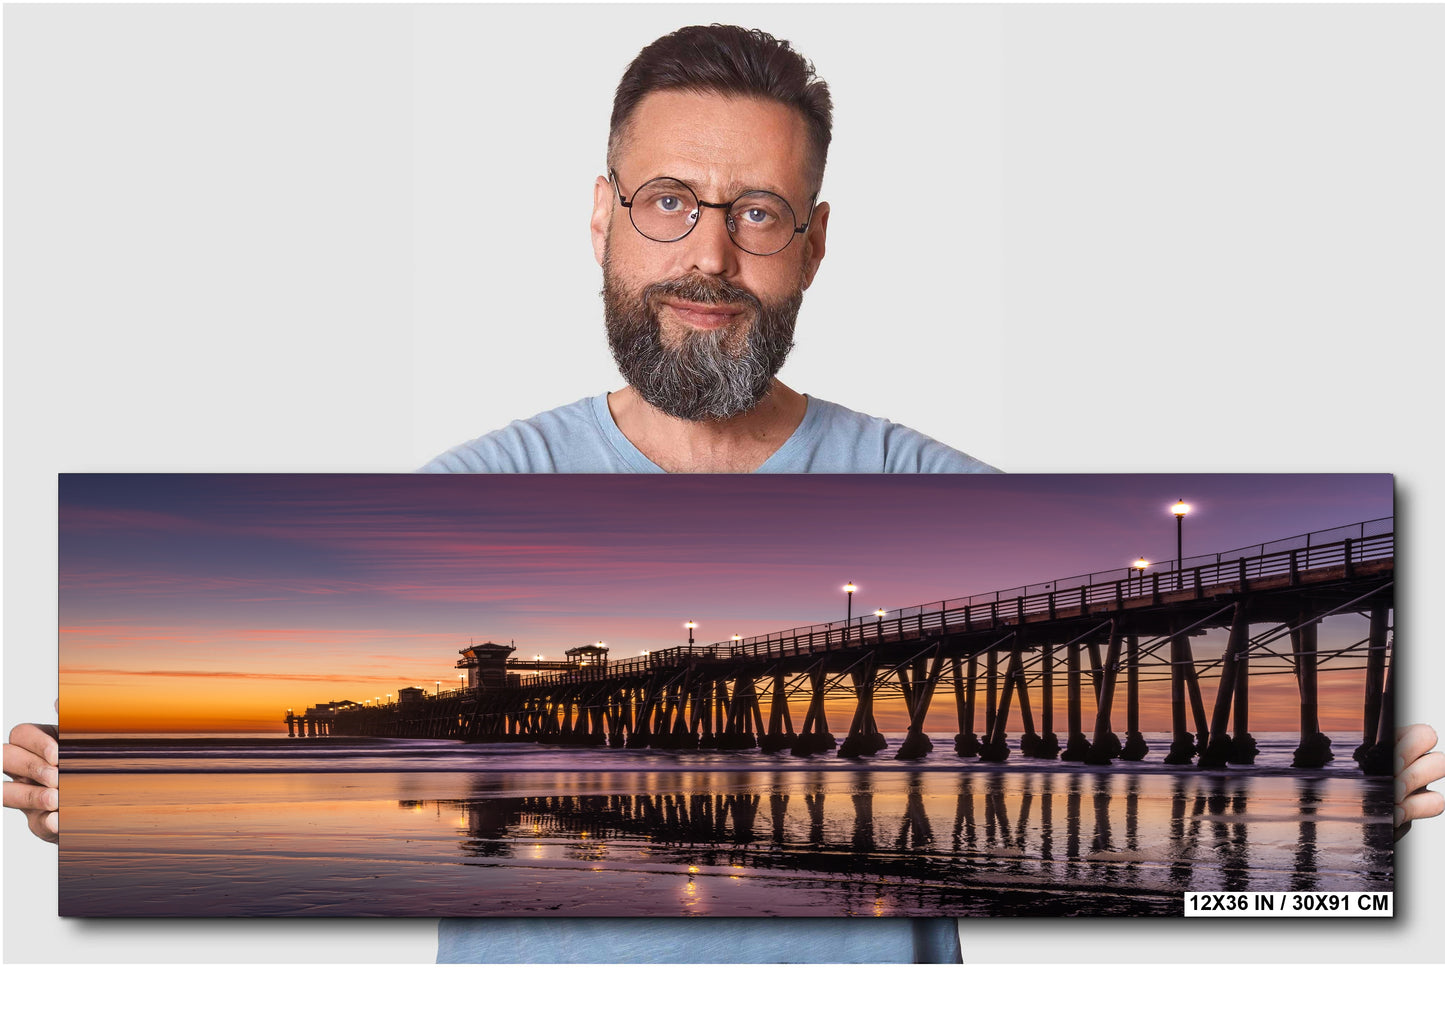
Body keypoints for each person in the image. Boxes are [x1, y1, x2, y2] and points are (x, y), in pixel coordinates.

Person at [7, 23, 1444, 963]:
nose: (709, 253)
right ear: (602, 216)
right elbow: (278, 768)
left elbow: (1219, 786)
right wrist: (119, 798)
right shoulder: (465, 500)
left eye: (756, 213)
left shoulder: (928, 494)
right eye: (669, 202)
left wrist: (1381, 771)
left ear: (811, 244)